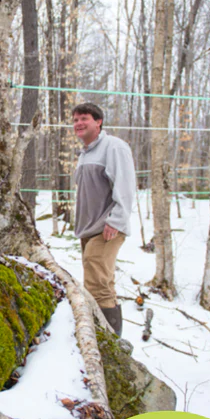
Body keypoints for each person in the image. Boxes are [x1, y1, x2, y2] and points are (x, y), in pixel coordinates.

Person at [72, 102, 136, 337]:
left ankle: (107, 340)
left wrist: (116, 220)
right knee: (101, 282)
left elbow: (126, 185)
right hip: (89, 228)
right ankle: (108, 338)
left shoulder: (114, 147)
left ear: (98, 122)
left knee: (97, 286)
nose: (78, 123)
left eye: (84, 118)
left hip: (107, 227)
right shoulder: (86, 153)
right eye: (75, 120)